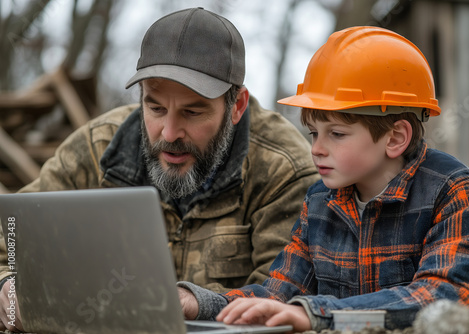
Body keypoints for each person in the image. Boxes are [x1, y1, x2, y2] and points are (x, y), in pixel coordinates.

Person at [0, 8, 319, 332]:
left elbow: (284, 297)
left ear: (236, 106)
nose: (169, 133)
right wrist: (6, 286)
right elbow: (8, 235)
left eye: (192, 112)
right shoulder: (95, 149)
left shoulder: (284, 170)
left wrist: (201, 304)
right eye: (155, 107)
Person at [177, 26, 469, 331]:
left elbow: (449, 297)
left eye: (337, 134)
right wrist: (201, 303)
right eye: (314, 132)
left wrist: (315, 314)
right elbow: (280, 290)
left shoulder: (454, 192)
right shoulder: (320, 201)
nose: (316, 149)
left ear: (395, 137)